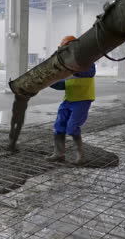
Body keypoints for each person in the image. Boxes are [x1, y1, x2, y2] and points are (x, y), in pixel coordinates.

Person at [46, 35, 95, 165]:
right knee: (59, 126)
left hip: (83, 99)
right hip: (69, 99)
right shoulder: (65, 65)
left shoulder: (86, 61)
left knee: (72, 127)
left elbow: (88, 73)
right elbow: (61, 84)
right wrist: (47, 81)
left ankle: (81, 156)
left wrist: (68, 67)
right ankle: (59, 154)